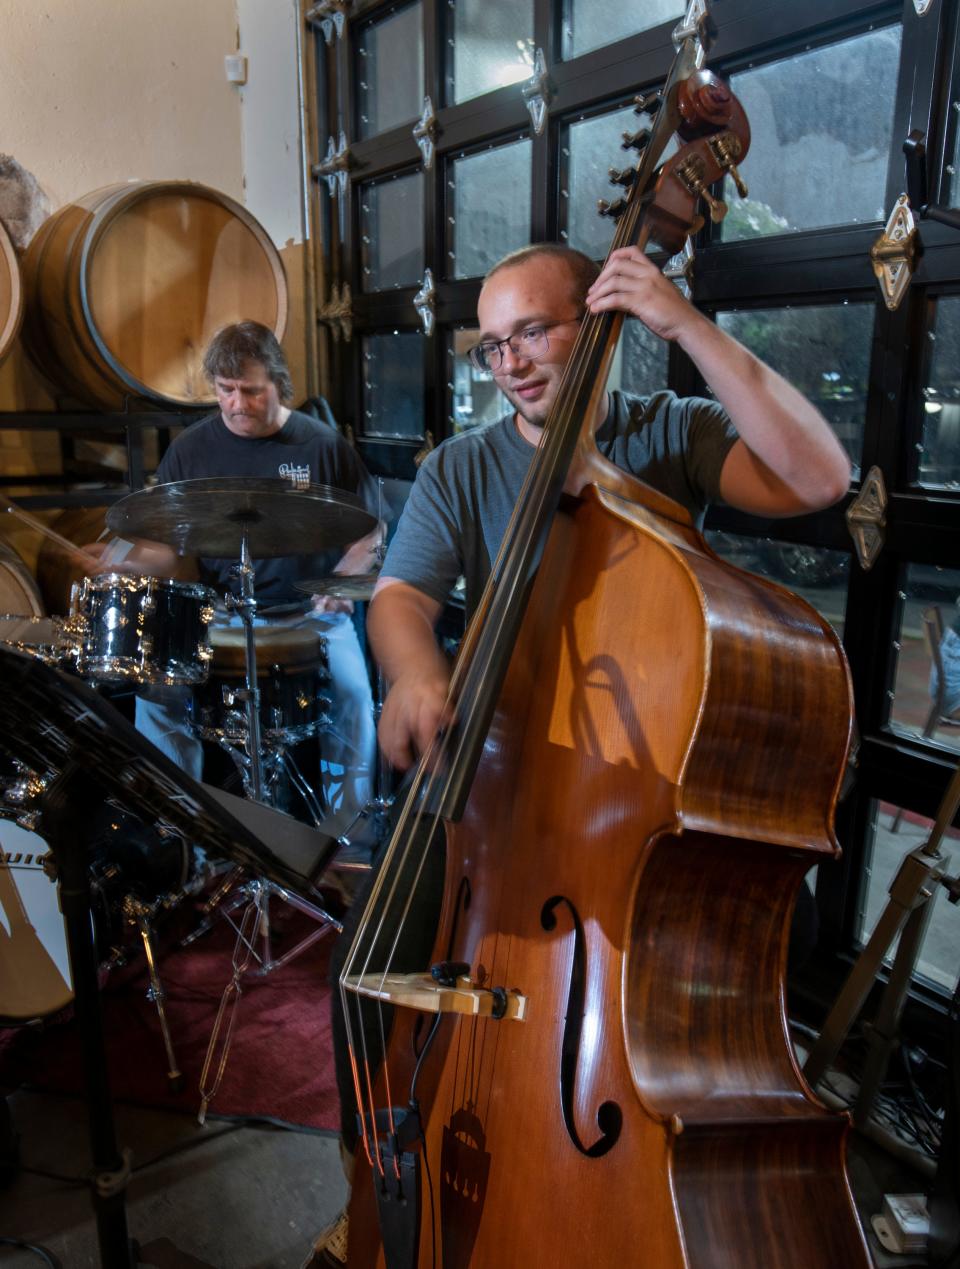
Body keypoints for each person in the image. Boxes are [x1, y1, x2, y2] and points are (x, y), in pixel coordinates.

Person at [304, 243, 852, 1266]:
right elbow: (402, 599)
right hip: (490, 791)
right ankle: (373, 1184)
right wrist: (416, 673)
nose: (511, 361)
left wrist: (685, 324)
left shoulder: (667, 437)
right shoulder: (462, 467)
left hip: (635, 798)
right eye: (494, 343)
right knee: (363, 969)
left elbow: (818, 474)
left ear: (595, 322)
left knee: (742, 965)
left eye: (535, 331)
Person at [93, 321, 382, 834]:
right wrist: (124, 565)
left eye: (249, 390)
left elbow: (369, 533)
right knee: (157, 695)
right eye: (224, 391)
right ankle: (181, 835)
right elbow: (166, 547)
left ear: (278, 384)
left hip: (310, 618)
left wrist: (343, 582)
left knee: (355, 697)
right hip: (221, 616)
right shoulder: (191, 451)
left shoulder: (322, 446)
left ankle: (348, 840)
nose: (235, 403)